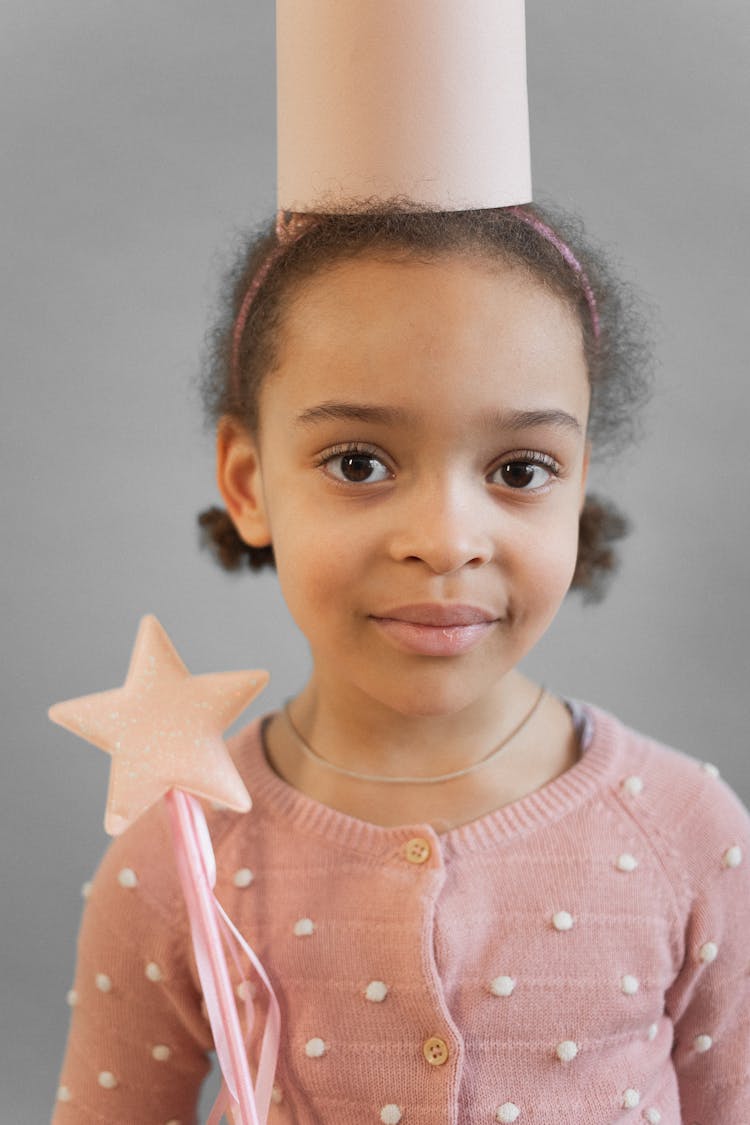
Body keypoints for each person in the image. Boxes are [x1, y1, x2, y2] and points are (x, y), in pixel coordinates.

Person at [52, 203, 750, 1123]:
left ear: (580, 483)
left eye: (521, 468)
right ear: (248, 482)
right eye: (357, 462)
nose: (447, 539)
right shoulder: (179, 858)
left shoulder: (687, 833)